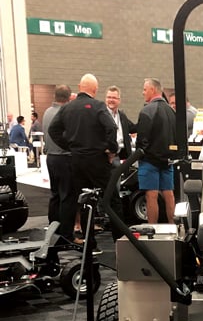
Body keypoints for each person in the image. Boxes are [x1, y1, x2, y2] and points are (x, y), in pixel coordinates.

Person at [48, 73, 121, 249]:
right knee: (112, 198)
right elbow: (111, 127)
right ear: (95, 90)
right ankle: (120, 239)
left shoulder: (67, 108)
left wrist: (69, 146)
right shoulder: (98, 106)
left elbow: (53, 130)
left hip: (76, 160)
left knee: (84, 200)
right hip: (97, 160)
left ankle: (89, 242)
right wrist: (111, 149)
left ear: (80, 87)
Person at [42, 84, 81, 245]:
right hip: (64, 158)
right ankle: (66, 235)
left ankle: (54, 231)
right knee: (67, 197)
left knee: (55, 196)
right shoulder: (64, 114)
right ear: (68, 98)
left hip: (50, 158)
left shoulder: (47, 112)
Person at [136, 77, 177, 223]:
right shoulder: (172, 112)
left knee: (151, 195)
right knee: (169, 194)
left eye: (145, 89)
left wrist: (140, 155)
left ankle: (152, 228)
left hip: (149, 161)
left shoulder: (147, 111)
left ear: (152, 90)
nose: (143, 92)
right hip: (168, 161)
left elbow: (142, 140)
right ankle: (173, 226)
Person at [105, 85, 137, 162]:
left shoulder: (122, 115)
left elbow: (133, 128)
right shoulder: (101, 115)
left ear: (119, 100)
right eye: (109, 97)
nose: (111, 100)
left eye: (114, 98)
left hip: (122, 156)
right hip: (107, 157)